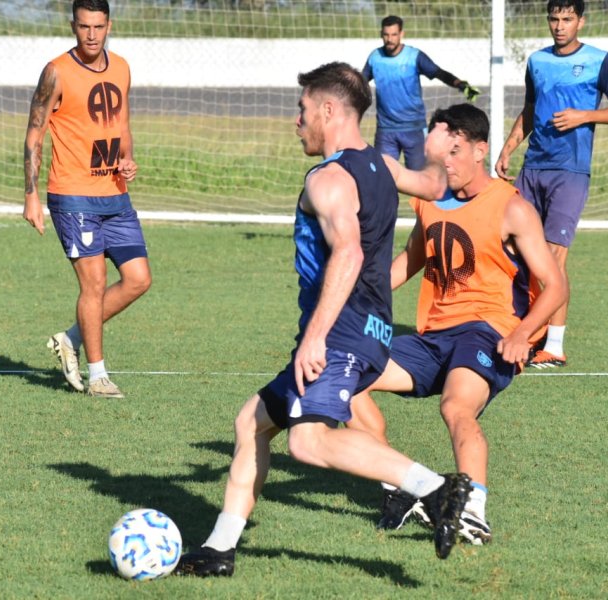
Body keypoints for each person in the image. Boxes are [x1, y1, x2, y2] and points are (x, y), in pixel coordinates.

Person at [175, 62, 471, 578]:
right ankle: (219, 549)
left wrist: (314, 338)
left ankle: (432, 486)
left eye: (303, 109)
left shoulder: (328, 178)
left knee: (306, 441)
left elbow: (349, 255)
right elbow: (431, 183)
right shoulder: (382, 165)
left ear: (329, 110)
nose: (298, 120)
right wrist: (440, 152)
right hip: (373, 331)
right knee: (251, 423)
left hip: (339, 333)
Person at [348, 103, 568, 545]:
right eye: (439, 152)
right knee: (346, 382)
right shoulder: (430, 203)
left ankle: (472, 512)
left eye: (455, 151)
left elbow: (556, 285)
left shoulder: (511, 208)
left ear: (480, 150)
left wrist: (523, 333)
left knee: (456, 407)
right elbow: (408, 263)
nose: (444, 162)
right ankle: (405, 486)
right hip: (432, 336)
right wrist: (351, 297)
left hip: (489, 331)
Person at [495, 0, 608, 368]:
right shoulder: (537, 61)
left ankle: (552, 345)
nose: (559, 25)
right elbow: (528, 110)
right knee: (510, 245)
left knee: (554, 258)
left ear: (580, 22)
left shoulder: (600, 60)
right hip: (532, 168)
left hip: (570, 171)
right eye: (554, 19)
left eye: (567, 19)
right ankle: (518, 326)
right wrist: (508, 149)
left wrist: (584, 116)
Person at [23, 0, 150, 398]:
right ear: (73, 26)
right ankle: (98, 376)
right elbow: (34, 134)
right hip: (73, 195)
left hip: (115, 195)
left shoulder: (122, 67)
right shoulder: (56, 72)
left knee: (138, 279)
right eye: (83, 27)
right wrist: (30, 196)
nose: (91, 34)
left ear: (108, 25)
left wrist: (127, 160)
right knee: (93, 284)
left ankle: (70, 337)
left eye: (98, 26)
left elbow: (122, 124)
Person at [362, 14, 480, 171]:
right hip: (386, 130)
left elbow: (439, 73)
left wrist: (460, 84)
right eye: (386, 35)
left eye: (394, 35)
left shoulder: (414, 56)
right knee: (382, 177)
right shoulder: (375, 57)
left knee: (420, 180)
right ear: (381, 34)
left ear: (401, 34)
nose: (390, 39)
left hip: (414, 129)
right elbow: (360, 82)